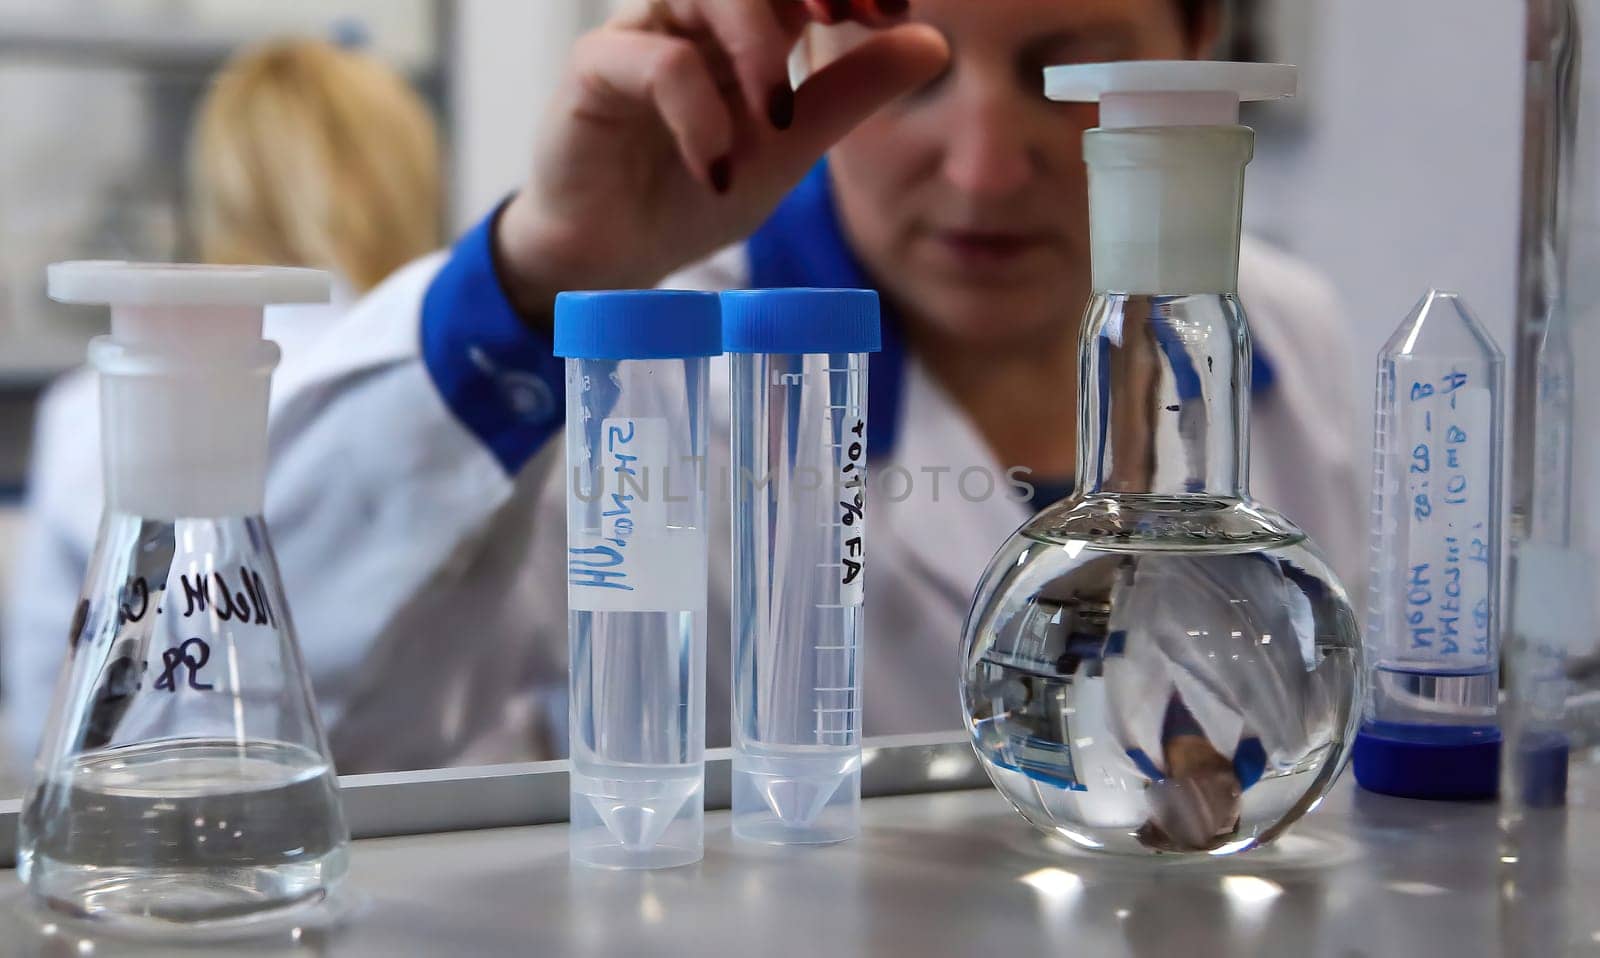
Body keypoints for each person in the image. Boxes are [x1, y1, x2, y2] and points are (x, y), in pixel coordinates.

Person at [15, 0, 1364, 774]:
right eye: (916, 84)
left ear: (1195, 40)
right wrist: (538, 281)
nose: (986, 169)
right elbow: (213, 726)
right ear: (809, 49)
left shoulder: (1289, 338)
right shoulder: (649, 360)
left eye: (1065, 70)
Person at [3, 37, 443, 759]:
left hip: (141, 841)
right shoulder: (460, 386)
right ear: (407, 181)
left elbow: (44, 722)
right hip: (451, 835)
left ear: (221, 187)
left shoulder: (82, 410)